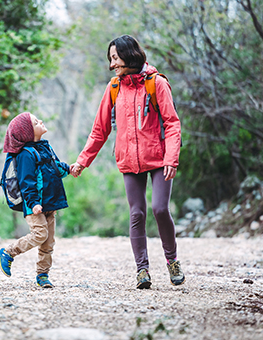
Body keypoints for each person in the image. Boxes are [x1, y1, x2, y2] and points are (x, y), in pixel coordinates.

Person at [70, 35, 185, 289]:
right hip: (129, 161)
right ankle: (142, 270)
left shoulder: (157, 84)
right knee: (136, 213)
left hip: (158, 159)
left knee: (160, 209)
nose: (112, 65)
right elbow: (99, 131)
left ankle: (172, 261)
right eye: (110, 59)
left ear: (128, 55)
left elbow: (172, 123)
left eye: (115, 58)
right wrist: (82, 161)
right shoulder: (114, 88)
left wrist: (171, 158)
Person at [0, 112, 70, 288]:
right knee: (40, 234)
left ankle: (42, 275)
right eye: (36, 122)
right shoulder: (26, 155)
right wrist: (34, 202)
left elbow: (55, 167)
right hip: (34, 205)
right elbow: (26, 182)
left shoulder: (45, 147)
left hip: (51, 202)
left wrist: (69, 169)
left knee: (48, 241)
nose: (41, 121)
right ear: (28, 133)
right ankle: (7, 252)